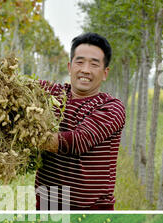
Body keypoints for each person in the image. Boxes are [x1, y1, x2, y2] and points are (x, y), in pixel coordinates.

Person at [35, 32, 126, 211]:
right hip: (48, 206)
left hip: (91, 212)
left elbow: (77, 141)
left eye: (94, 64)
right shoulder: (53, 94)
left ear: (105, 72)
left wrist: (22, 135)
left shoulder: (111, 108)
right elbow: (22, 88)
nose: (85, 69)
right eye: (80, 62)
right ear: (70, 67)